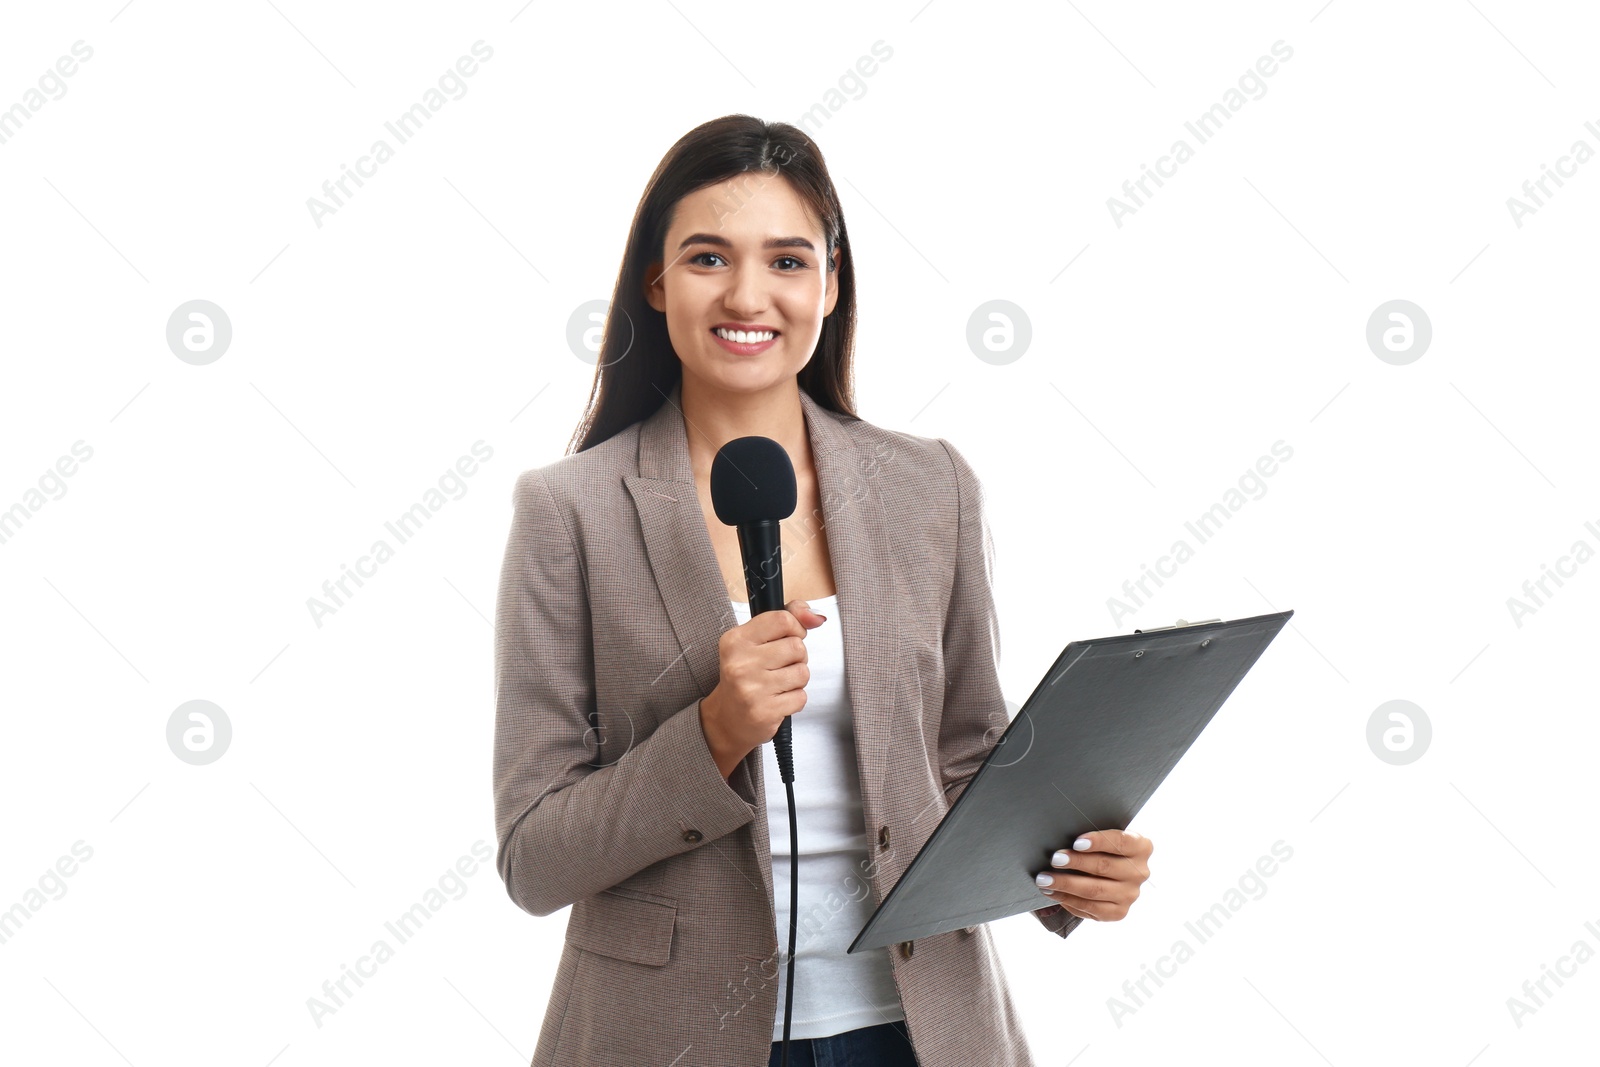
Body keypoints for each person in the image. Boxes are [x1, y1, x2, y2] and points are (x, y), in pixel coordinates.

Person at [492, 114, 1154, 1067]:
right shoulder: (570, 510)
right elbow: (534, 855)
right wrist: (715, 731)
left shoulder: (932, 485)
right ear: (656, 280)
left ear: (832, 284)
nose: (748, 294)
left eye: (789, 261)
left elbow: (966, 760)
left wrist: (1070, 870)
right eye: (708, 257)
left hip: (921, 1028)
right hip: (670, 1038)